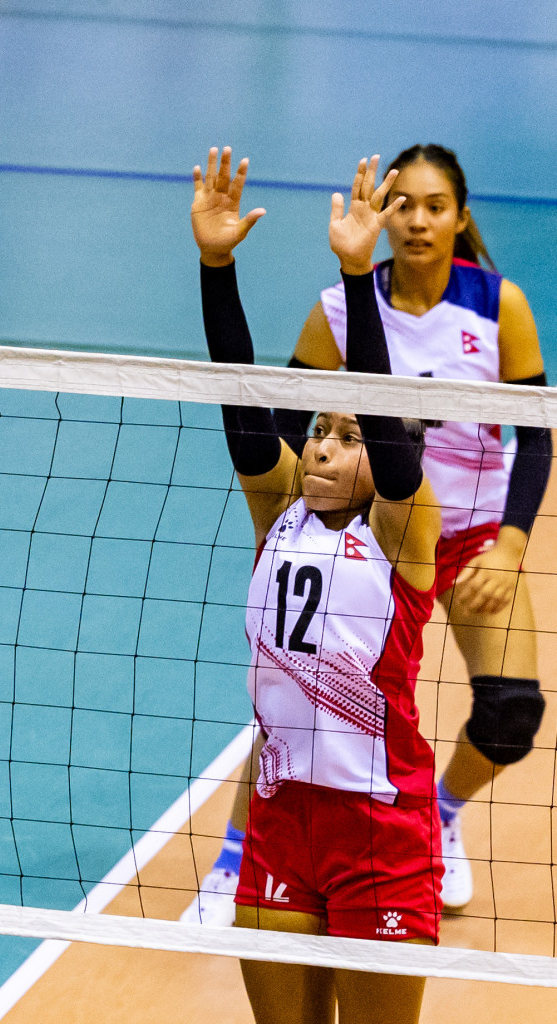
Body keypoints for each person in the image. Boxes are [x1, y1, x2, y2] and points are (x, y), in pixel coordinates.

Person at [183, 144, 549, 924]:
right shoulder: (339, 321)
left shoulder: (496, 305)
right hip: (366, 534)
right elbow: (261, 414)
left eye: (435, 205)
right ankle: (234, 857)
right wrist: (217, 267)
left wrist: (512, 543)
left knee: (511, 712)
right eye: (404, 204)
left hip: (459, 531)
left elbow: (529, 434)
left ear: (460, 216)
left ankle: (441, 813)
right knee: (306, 699)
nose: (417, 220)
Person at [194, 148, 445, 1024]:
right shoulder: (280, 516)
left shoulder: (404, 534)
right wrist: (216, 267)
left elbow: (384, 410)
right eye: (319, 432)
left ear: (390, 460)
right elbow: (238, 401)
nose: (327, 447)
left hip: (380, 832)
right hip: (280, 817)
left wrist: (355, 275)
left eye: (350, 435)